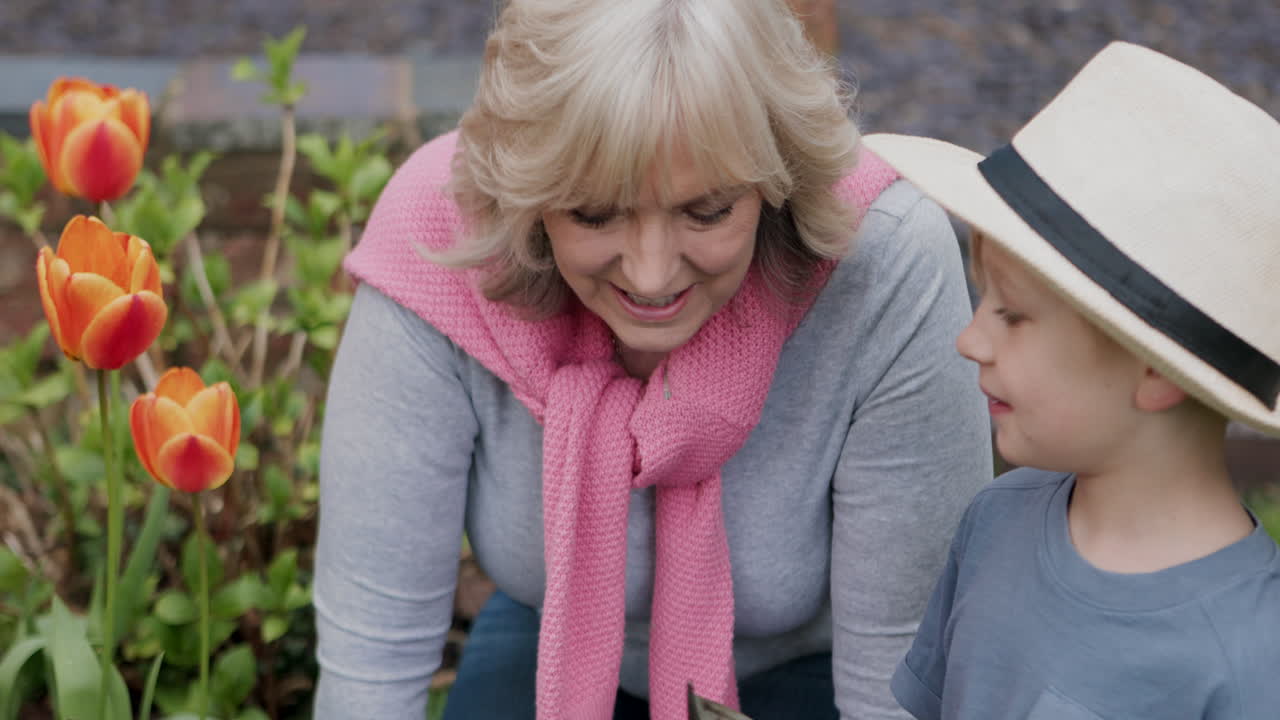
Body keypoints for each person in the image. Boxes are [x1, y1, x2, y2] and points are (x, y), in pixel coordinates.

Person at [312, 1, 991, 718]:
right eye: (594, 214)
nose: (651, 275)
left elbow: (903, 680)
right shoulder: (437, 240)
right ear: (529, 196)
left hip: (809, 666)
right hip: (556, 644)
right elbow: (370, 665)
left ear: (775, 178)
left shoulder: (885, 258)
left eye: (706, 212)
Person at [863, 41, 1280, 719]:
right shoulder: (994, 523)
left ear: (1154, 369)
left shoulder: (1254, 659)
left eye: (1013, 315)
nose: (969, 340)